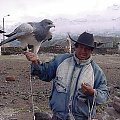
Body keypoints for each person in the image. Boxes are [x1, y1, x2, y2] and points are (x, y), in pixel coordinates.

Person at [24, 32, 108, 120]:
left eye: (87, 49)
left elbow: (104, 96)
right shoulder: (60, 60)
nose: (83, 51)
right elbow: (45, 73)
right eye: (81, 47)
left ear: (91, 50)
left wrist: (92, 92)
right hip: (58, 116)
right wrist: (35, 62)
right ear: (76, 47)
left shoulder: (96, 71)